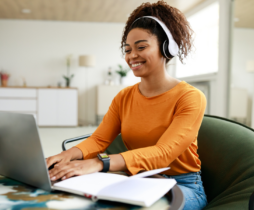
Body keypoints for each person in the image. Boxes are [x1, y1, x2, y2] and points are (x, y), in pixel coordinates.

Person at [46, 1, 207, 209]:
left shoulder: (190, 97)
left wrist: (99, 163)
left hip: (181, 185)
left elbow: (164, 153)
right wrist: (64, 156)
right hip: (138, 180)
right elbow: (99, 139)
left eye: (141, 47)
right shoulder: (124, 96)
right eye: (128, 49)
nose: (132, 56)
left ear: (166, 47)